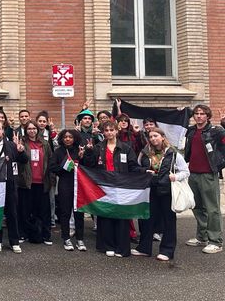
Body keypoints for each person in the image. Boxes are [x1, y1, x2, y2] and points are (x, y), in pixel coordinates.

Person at [83, 120, 141, 257]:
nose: (109, 132)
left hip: (121, 187)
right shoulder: (98, 147)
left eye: (111, 130)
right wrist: (89, 152)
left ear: (116, 131)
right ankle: (107, 246)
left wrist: (144, 171)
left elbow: (132, 166)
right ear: (103, 132)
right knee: (106, 216)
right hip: (104, 187)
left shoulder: (126, 148)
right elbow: (89, 165)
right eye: (106, 130)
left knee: (121, 217)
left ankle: (121, 247)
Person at [132, 128, 189, 261]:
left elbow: (186, 171)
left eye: (155, 136)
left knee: (168, 221)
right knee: (147, 219)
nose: (153, 139)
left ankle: (167, 250)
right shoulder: (144, 153)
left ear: (162, 137)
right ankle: (144, 249)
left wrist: (176, 176)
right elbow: (137, 167)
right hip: (150, 190)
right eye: (150, 137)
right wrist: (145, 171)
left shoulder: (173, 153)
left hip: (167, 191)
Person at [184, 104, 225, 254]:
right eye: (196, 113)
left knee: (212, 208)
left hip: (208, 174)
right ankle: (202, 237)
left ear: (208, 116)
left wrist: (220, 164)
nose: (199, 116)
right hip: (192, 173)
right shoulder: (191, 131)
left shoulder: (215, 131)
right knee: (196, 206)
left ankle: (216, 241)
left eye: (202, 113)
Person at [0, 120, 27, 253]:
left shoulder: (12, 145)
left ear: (3, 130)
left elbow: (24, 161)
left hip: (10, 183)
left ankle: (14, 241)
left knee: (12, 213)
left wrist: (21, 151)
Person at [17, 120, 53, 246]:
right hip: (27, 182)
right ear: (25, 131)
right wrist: (20, 151)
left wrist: (51, 179)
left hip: (42, 182)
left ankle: (46, 235)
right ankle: (24, 233)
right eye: (29, 129)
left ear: (38, 130)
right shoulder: (22, 143)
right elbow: (19, 161)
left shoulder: (45, 144)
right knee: (25, 210)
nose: (31, 131)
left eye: (34, 128)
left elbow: (50, 161)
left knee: (44, 210)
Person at [50, 129, 86, 252]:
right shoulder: (58, 151)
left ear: (74, 138)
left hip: (79, 185)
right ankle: (66, 238)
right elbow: (52, 167)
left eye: (70, 137)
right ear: (62, 138)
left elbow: (88, 166)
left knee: (79, 213)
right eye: (65, 137)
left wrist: (82, 157)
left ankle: (80, 239)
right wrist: (65, 166)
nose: (68, 139)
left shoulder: (79, 150)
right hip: (65, 184)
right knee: (65, 213)